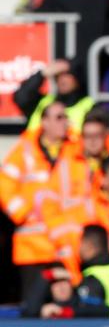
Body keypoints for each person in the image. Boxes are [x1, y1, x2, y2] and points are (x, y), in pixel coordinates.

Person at [0, 101, 70, 300]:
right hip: (33, 249)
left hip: (66, 247)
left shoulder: (73, 149)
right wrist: (22, 212)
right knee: (33, 313)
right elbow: (4, 183)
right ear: (44, 122)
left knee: (68, 314)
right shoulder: (25, 149)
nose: (65, 122)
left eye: (65, 117)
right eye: (59, 117)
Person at [13, 59, 94, 132]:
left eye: (68, 75)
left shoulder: (89, 107)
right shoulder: (42, 102)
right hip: (36, 148)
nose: (62, 80)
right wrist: (42, 73)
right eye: (58, 75)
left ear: (77, 79)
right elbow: (21, 97)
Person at [20, 262, 109, 318]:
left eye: (64, 281)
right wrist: (46, 275)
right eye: (55, 283)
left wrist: (66, 312)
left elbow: (105, 310)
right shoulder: (45, 309)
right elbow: (29, 311)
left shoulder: (81, 302)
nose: (61, 287)